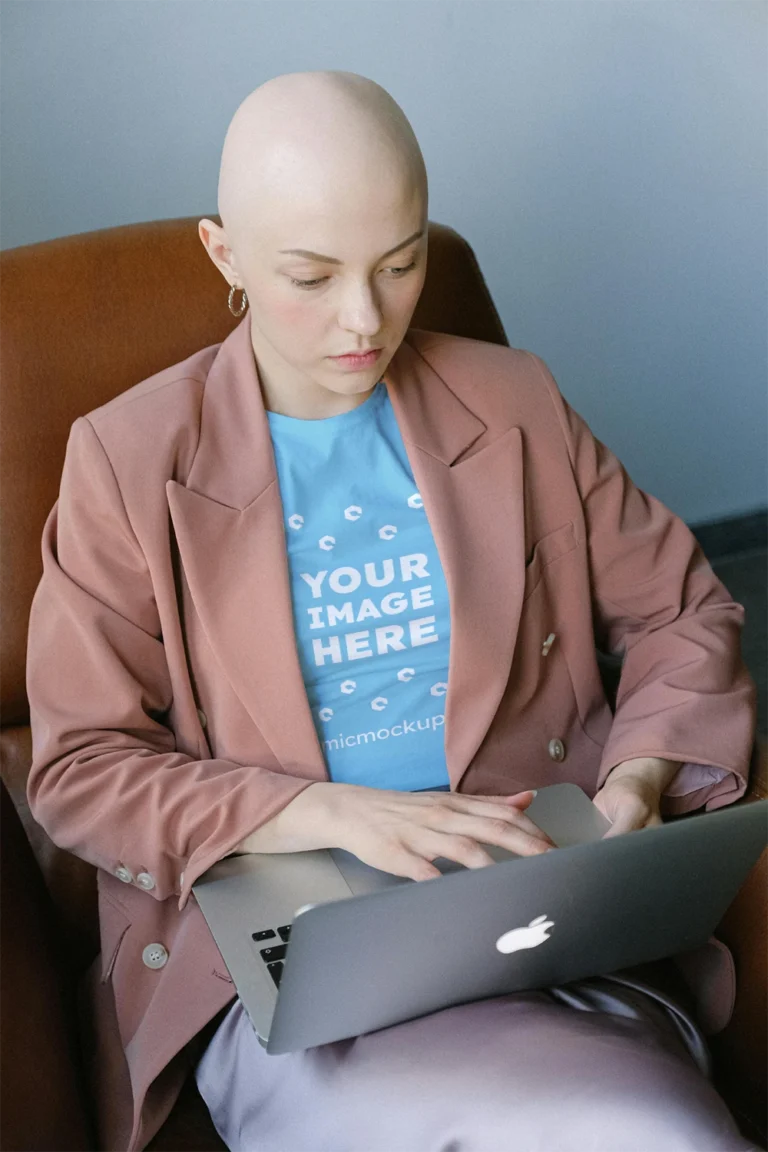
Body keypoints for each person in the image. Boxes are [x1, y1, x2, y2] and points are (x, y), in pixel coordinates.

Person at [25, 71, 758, 1152]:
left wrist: (637, 781)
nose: (364, 320)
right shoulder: (129, 461)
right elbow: (79, 767)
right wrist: (333, 812)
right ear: (224, 255)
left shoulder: (515, 402)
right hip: (293, 942)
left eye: (401, 262)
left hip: (537, 906)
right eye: (311, 278)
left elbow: (684, 614)